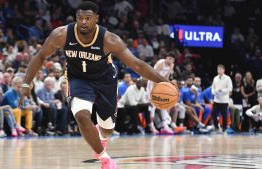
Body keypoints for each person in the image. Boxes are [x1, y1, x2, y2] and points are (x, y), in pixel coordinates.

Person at [19, 2, 170, 168]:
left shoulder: (110, 39)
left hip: (105, 80)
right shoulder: (61, 34)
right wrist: (26, 83)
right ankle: (104, 158)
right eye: (80, 18)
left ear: (96, 19)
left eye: (88, 18)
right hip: (78, 79)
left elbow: (137, 65)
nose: (83, 21)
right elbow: (40, 56)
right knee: (82, 116)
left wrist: (164, 82)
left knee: (107, 127)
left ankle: (102, 137)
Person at [211, 64, 233, 133]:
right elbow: (212, 88)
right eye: (218, 69)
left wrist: (222, 90)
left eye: (220, 69)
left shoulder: (227, 78)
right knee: (213, 113)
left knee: (224, 115)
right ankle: (216, 127)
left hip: (224, 100)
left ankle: (224, 128)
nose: (219, 70)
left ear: (224, 70)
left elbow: (230, 88)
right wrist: (214, 92)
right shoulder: (215, 78)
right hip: (216, 99)